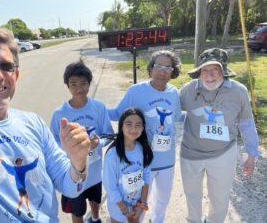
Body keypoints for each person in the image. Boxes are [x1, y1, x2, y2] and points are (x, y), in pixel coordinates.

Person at [0, 28, 91, 223]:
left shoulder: (33, 123)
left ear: (17, 74)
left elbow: (71, 187)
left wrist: (79, 161)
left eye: (6, 66)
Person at [179, 48, 260, 223]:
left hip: (224, 153)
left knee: (220, 197)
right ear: (199, 72)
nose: (209, 75)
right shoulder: (187, 90)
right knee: (192, 194)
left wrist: (251, 154)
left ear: (223, 71)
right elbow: (172, 115)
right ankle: (194, 220)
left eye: (215, 70)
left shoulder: (239, 91)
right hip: (190, 153)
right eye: (204, 70)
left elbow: (246, 123)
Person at [108, 50, 182, 223]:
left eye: (168, 68)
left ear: (173, 72)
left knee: (162, 201)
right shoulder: (136, 91)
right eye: (158, 66)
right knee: (139, 202)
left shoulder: (173, 93)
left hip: (167, 161)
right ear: (150, 68)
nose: (162, 72)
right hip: (143, 160)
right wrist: (93, 108)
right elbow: (117, 113)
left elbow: (177, 119)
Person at [50, 61, 114, 223]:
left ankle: (95, 217)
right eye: (73, 84)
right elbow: (53, 142)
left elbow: (109, 135)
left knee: (95, 199)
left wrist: (97, 143)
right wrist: (69, 149)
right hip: (73, 173)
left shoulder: (99, 108)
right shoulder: (59, 114)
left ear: (89, 84)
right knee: (77, 209)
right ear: (67, 86)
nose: (79, 88)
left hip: (94, 171)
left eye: (83, 83)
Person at [103, 108, 153, 223]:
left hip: (136, 206)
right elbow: (110, 186)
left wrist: (142, 204)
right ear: (121, 126)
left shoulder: (143, 149)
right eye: (129, 124)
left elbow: (146, 177)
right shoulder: (112, 155)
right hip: (118, 208)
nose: (133, 129)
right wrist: (125, 210)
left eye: (138, 125)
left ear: (143, 128)